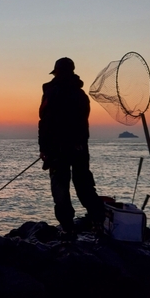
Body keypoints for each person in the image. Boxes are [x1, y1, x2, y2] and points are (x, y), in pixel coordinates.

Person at [38, 57, 105, 239]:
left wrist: (44, 148)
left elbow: (44, 122)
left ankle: (68, 228)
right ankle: (99, 223)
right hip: (79, 148)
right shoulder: (81, 95)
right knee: (84, 186)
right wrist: (78, 143)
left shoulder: (51, 92)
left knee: (60, 189)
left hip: (59, 150)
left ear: (57, 72)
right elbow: (82, 124)